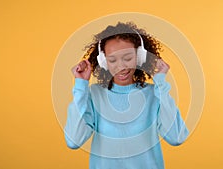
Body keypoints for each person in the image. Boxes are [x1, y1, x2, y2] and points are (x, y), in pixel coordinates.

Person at [64, 22, 189, 169]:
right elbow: (73, 141)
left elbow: (177, 137)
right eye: (112, 60)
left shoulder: (154, 94)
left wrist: (161, 83)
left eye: (128, 58)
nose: (121, 66)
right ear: (103, 62)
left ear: (140, 56)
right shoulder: (93, 95)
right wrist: (80, 86)